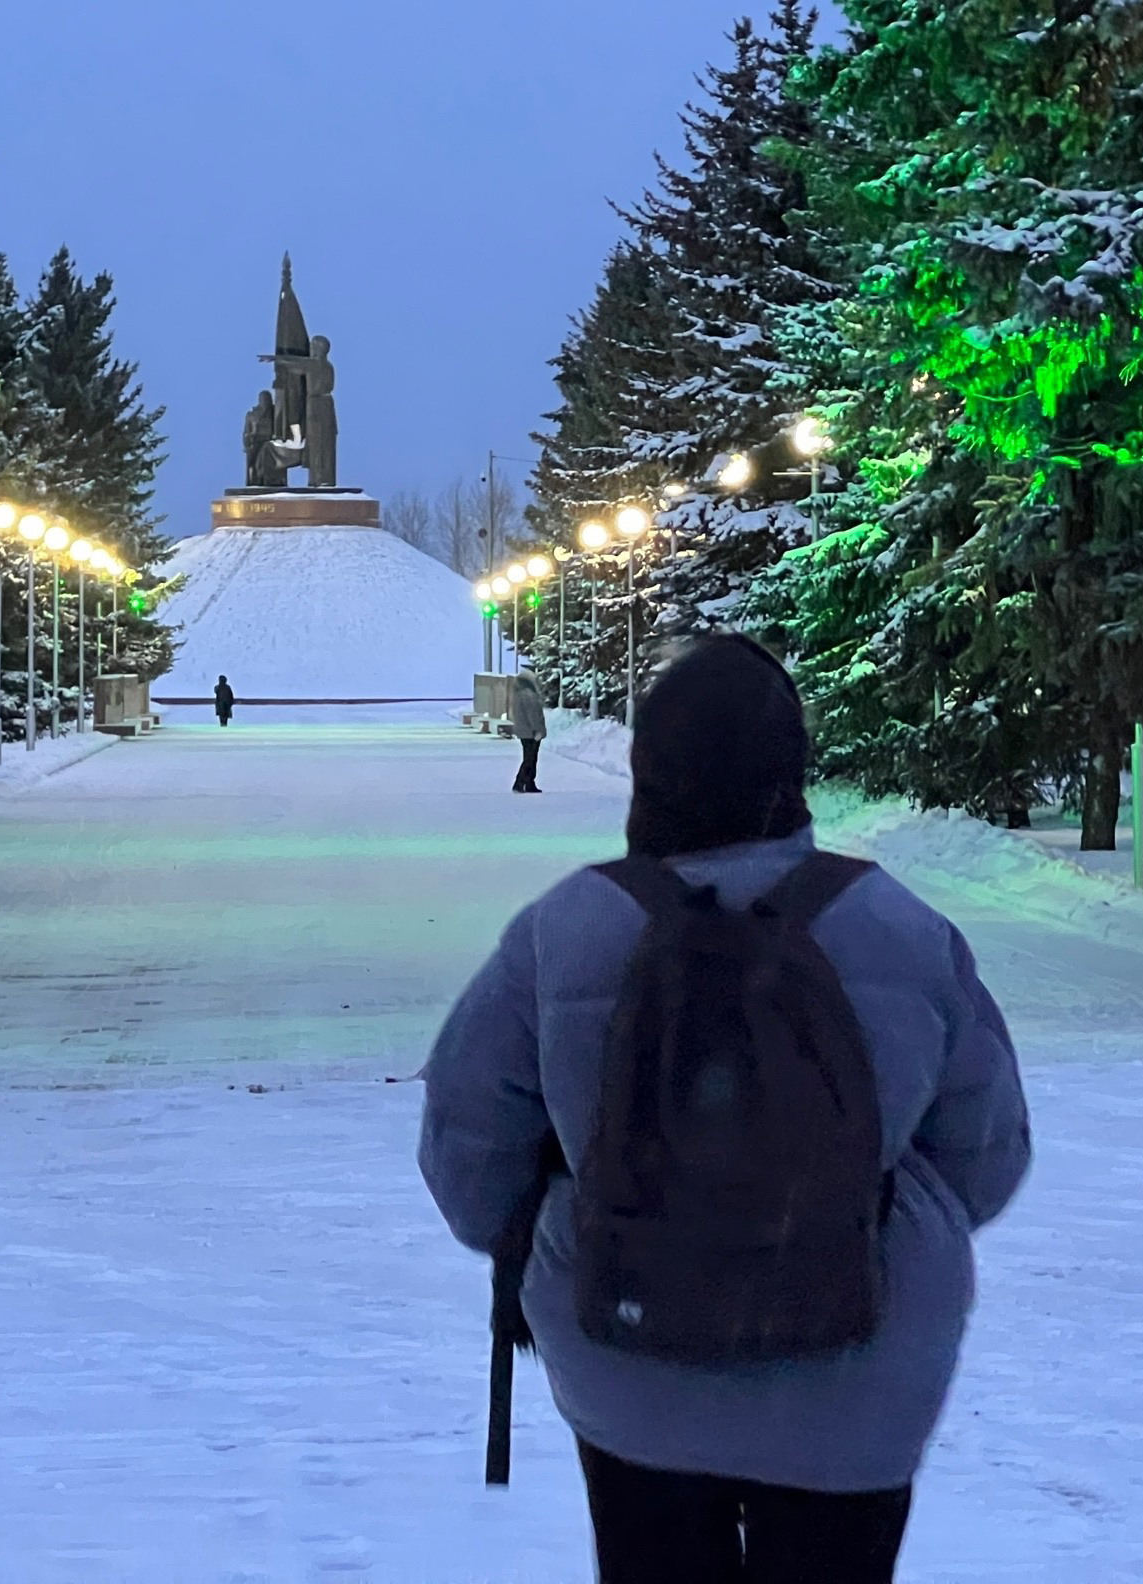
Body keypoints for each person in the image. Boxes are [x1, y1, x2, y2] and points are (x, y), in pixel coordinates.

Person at [419, 634, 1031, 1583]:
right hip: (859, 1372)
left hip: (626, 1355)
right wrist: (843, 1220)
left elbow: (466, 1145)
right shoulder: (898, 927)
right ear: (790, 766)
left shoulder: (568, 929)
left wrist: (558, 1230)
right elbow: (987, 1154)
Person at [509, 668, 547, 793]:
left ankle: (528, 782)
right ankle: (521, 782)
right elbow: (533, 714)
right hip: (530, 731)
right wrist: (537, 729)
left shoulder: (518, 693)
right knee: (530, 758)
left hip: (523, 730)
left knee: (529, 757)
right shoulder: (528, 694)